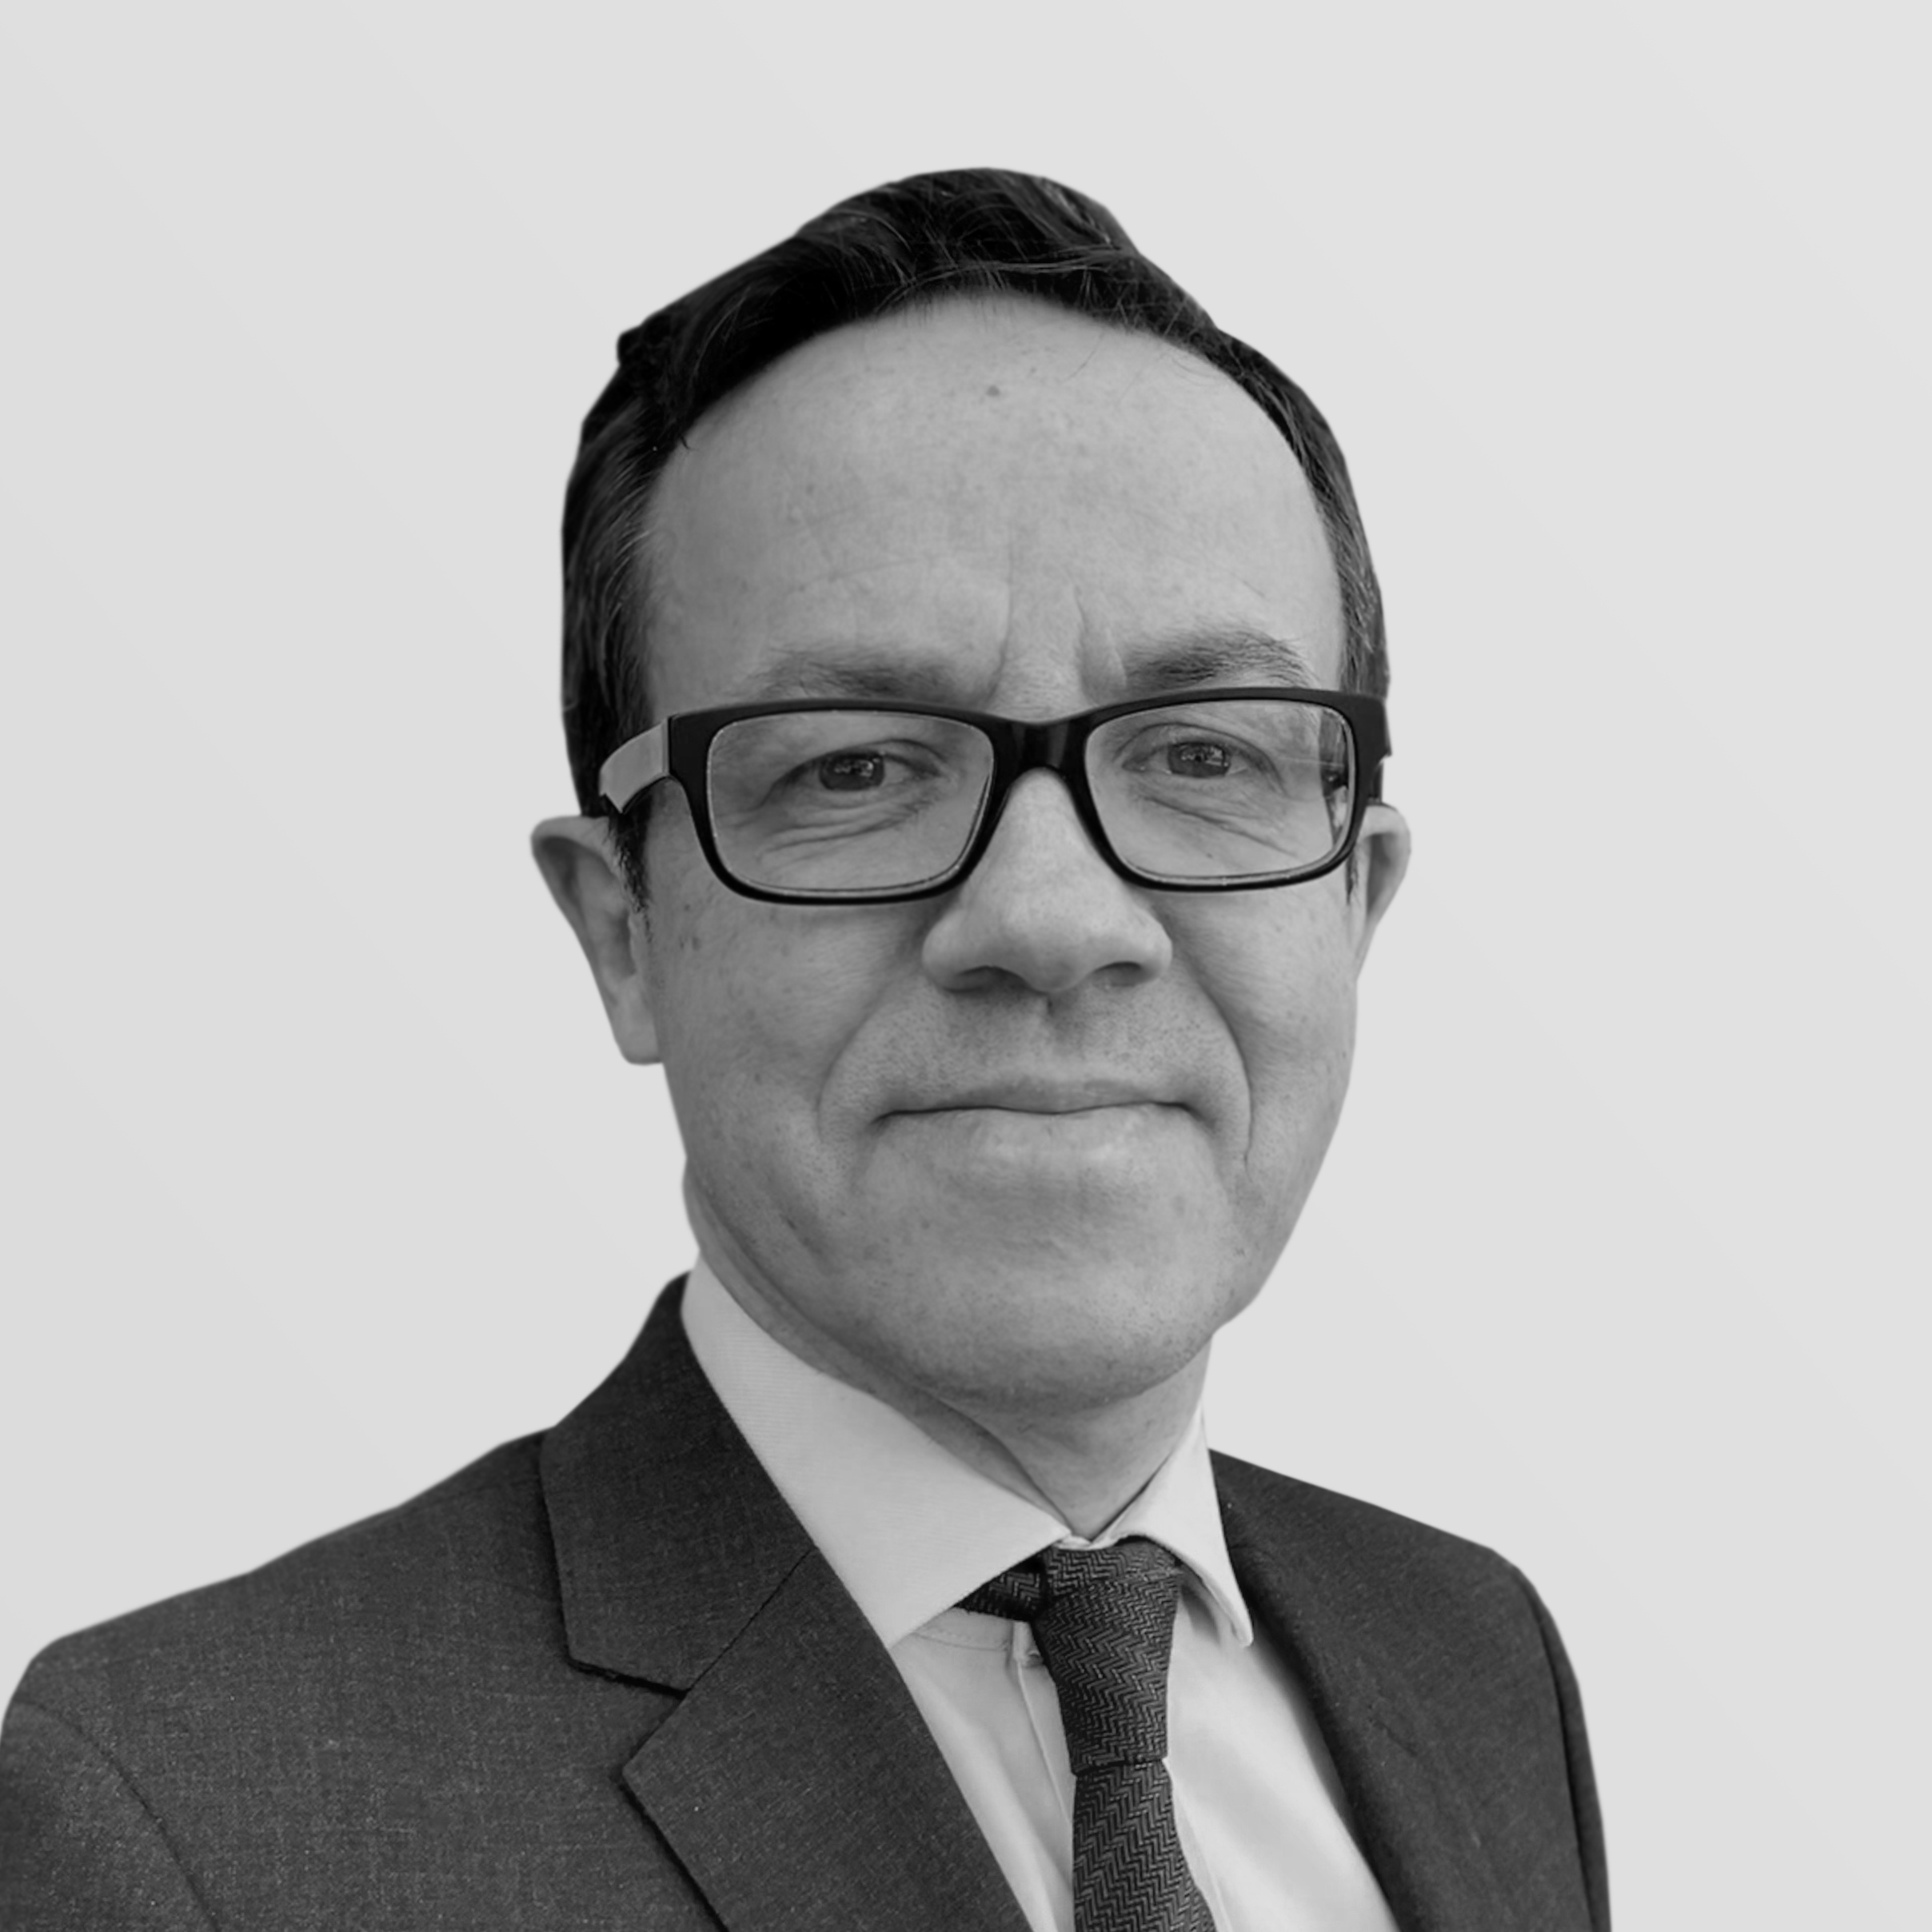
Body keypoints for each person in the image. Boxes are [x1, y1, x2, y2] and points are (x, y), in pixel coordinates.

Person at [0, 169, 1608, 1931]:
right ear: (619, 928)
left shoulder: (1470, 1661)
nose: (1050, 916)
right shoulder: (189, 1818)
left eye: (1204, 756)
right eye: (855, 766)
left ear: (1357, 898)